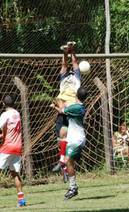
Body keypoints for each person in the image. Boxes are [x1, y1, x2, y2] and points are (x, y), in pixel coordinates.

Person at [0, 94, 26, 208]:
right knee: (14, 172)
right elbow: (13, 130)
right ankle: (21, 199)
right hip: (17, 147)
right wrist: (2, 135)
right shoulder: (17, 113)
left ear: (3, 104)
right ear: (14, 103)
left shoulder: (5, 114)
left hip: (7, 147)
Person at [50, 86, 88, 200]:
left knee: (67, 161)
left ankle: (72, 187)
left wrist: (57, 107)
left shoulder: (76, 107)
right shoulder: (79, 107)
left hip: (76, 140)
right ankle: (72, 184)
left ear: (76, 95)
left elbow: (62, 111)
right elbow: (68, 110)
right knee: (70, 162)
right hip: (77, 138)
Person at [52, 41, 81, 184]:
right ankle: (63, 167)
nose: (70, 72)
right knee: (60, 141)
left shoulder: (77, 79)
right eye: (69, 72)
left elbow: (75, 63)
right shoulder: (63, 79)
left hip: (70, 112)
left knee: (65, 137)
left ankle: (63, 163)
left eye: (72, 71)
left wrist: (72, 50)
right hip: (61, 111)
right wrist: (65, 53)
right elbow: (65, 65)